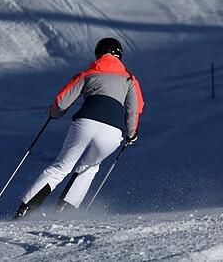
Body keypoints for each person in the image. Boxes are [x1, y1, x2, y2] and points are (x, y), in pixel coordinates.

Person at [15, 37, 144, 218]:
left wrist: (54, 113)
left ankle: (25, 210)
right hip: (112, 132)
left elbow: (62, 102)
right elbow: (134, 110)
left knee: (62, 167)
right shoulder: (130, 80)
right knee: (89, 168)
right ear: (119, 56)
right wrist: (131, 134)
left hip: (85, 123)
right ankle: (63, 211)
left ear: (99, 54)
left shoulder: (88, 73)